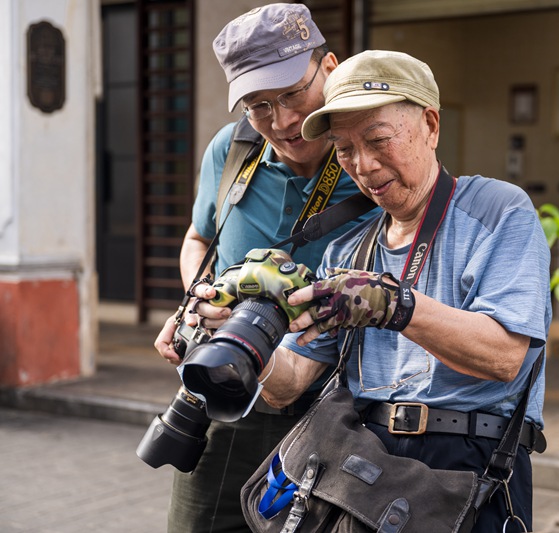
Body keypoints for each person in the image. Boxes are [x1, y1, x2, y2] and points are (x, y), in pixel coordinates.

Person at [257, 49, 551, 531]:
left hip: (471, 467)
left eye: (378, 140)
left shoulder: (498, 210)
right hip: (363, 466)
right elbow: (289, 382)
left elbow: (504, 357)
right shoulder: (348, 249)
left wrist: (393, 304)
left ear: (431, 126)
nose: (364, 165)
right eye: (345, 149)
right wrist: (245, 342)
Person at [152, 5, 371, 531]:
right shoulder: (231, 151)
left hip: (338, 401)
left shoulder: (371, 157)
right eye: (258, 105)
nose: (283, 121)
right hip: (230, 385)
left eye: (294, 93)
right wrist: (199, 302)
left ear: (330, 66)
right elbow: (198, 237)